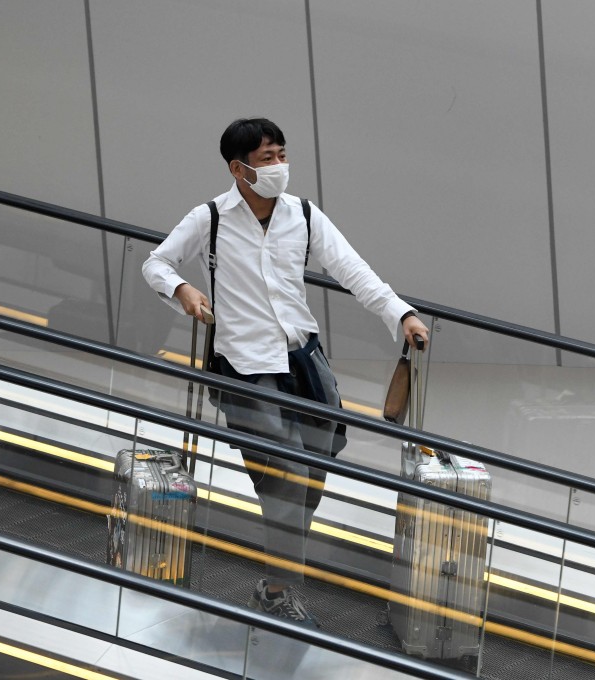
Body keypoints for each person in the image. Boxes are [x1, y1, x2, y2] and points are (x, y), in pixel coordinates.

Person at [143, 118, 429, 626]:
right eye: (267, 158)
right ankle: (279, 590)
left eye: (281, 154)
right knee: (284, 478)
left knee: (314, 476)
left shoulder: (303, 214)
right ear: (238, 168)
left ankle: (275, 580)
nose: (279, 165)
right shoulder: (210, 217)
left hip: (305, 361)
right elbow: (156, 264)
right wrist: (182, 291)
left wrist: (400, 313)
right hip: (246, 367)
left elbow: (352, 270)